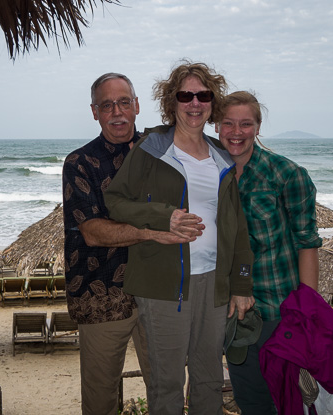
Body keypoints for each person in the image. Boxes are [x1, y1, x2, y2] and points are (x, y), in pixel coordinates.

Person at [104, 61, 255, 415]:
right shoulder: (152, 148)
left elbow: (238, 227)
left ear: (211, 102)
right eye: (185, 94)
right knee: (167, 382)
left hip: (215, 285)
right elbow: (115, 201)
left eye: (203, 95)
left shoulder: (222, 155)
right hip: (163, 286)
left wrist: (242, 284)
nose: (194, 102)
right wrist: (163, 216)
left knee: (208, 379)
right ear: (173, 102)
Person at [62, 72, 189, 415]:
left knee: (169, 390)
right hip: (101, 294)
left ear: (136, 106)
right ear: (94, 112)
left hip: (159, 289)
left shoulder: (165, 150)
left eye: (123, 102)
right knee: (101, 399)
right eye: (106, 105)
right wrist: (151, 231)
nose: (116, 112)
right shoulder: (79, 163)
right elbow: (92, 231)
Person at [218, 91, 322, 414]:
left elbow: (307, 245)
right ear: (217, 127)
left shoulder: (287, 175)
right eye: (228, 123)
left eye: (246, 124)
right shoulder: (210, 176)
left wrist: (307, 314)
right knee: (252, 406)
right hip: (234, 318)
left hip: (279, 315)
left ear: (258, 128)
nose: (237, 132)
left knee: (289, 405)